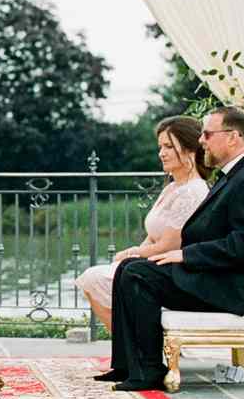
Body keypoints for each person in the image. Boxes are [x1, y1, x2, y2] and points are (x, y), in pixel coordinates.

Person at [99, 105, 244, 391]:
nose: (202, 141)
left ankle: (149, 371)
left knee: (138, 275)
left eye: (207, 134)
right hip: (220, 275)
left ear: (233, 137)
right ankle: (127, 366)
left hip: (238, 288)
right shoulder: (234, 175)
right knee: (129, 268)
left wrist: (185, 255)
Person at [75, 116, 211, 326]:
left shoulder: (193, 191)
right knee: (91, 279)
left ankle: (135, 347)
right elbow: (152, 237)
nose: (161, 153)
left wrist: (131, 253)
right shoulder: (172, 188)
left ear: (190, 150)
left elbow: (169, 244)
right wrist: (132, 254)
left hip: (173, 270)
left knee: (93, 279)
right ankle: (130, 345)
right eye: (160, 147)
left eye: (169, 146)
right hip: (152, 260)